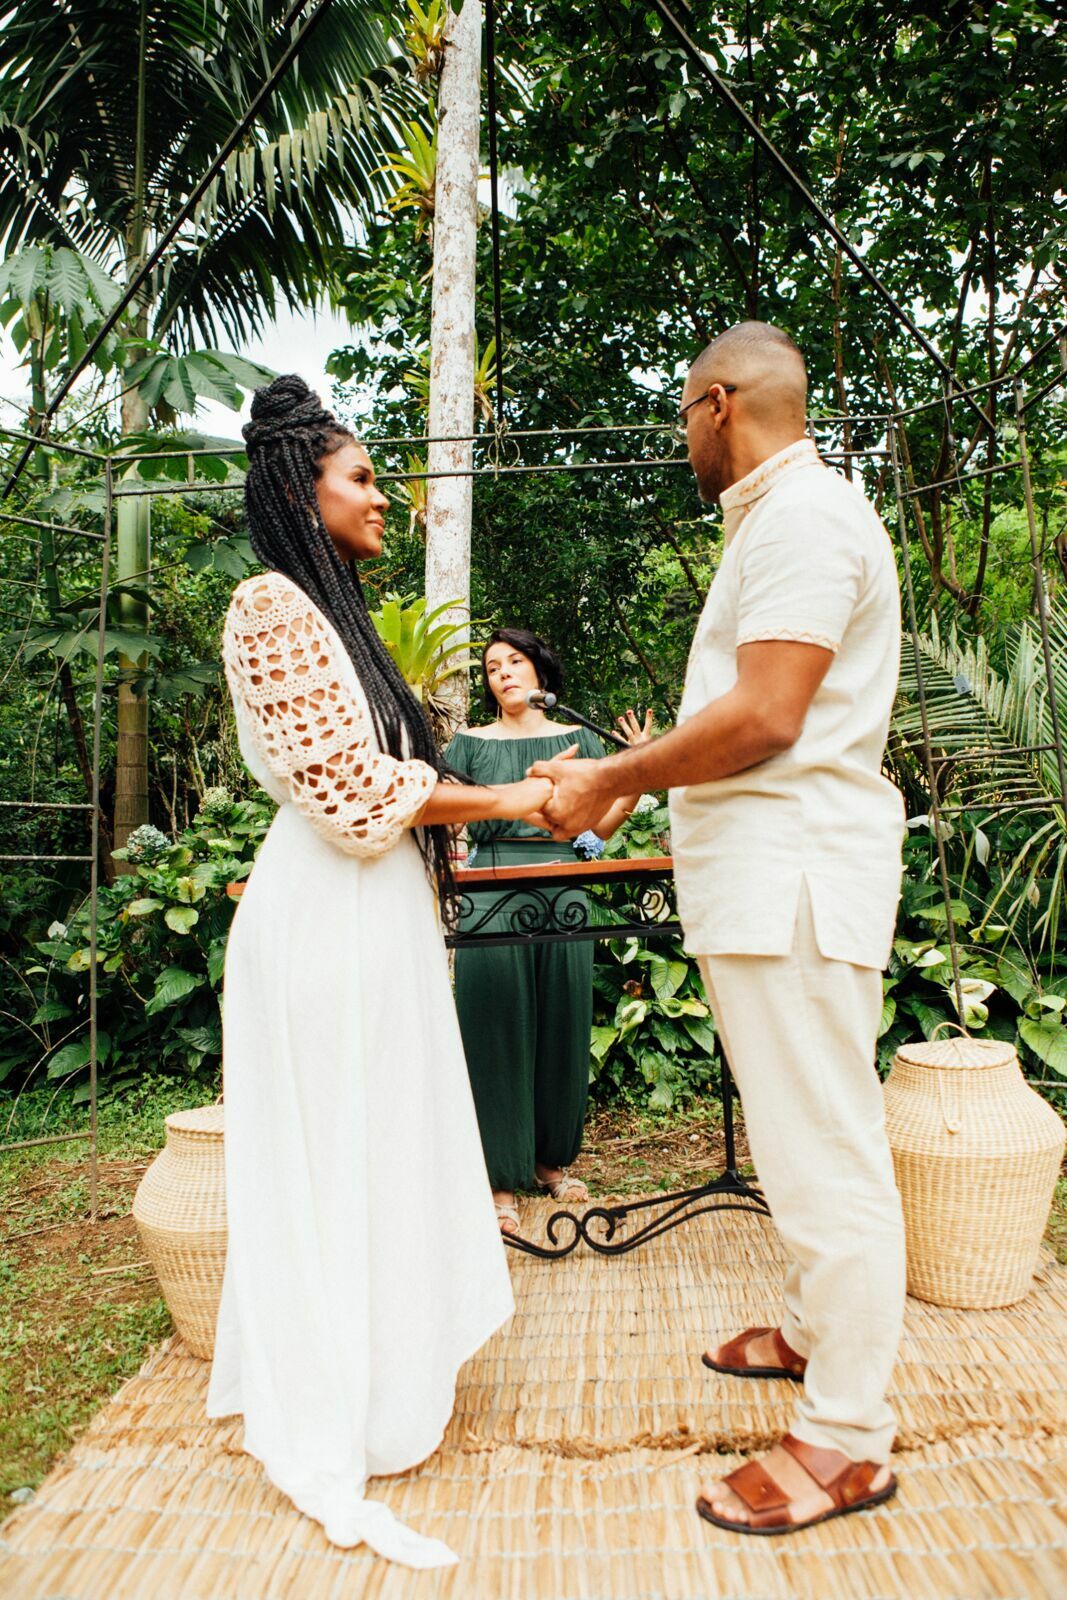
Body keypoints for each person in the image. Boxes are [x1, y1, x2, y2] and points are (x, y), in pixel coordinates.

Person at [529, 321, 907, 1537]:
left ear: (714, 403)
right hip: (769, 880)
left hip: (793, 880)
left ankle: (847, 1438)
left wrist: (613, 779)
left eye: (679, 420)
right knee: (803, 1131)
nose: (679, 441)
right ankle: (809, 1334)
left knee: (821, 1148)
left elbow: (765, 714)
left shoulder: (801, 518)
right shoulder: (778, 519)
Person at [207, 376, 562, 1568]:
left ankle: (390, 1388)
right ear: (300, 491)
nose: (383, 499)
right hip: (324, 925)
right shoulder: (269, 604)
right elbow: (352, 799)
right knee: (340, 1150)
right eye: (361, 477)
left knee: (385, 1146)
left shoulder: (333, 611)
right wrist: (516, 792)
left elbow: (390, 781)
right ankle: (341, 1405)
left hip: (382, 923)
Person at [445, 629, 651, 1234]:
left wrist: (634, 776)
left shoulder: (579, 739)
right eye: (491, 667)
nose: (503, 673)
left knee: (563, 1022)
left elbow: (594, 836)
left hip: (563, 889)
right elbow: (453, 829)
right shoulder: (467, 745)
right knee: (493, 1025)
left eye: (515, 662)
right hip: (489, 889)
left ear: (540, 672)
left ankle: (549, 1163)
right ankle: (498, 1180)